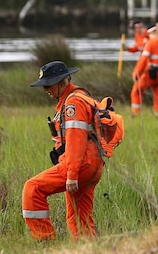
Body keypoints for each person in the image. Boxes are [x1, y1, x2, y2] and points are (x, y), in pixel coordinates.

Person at [22, 61, 104, 241]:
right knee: (79, 217)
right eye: (44, 88)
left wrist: (72, 173)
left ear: (63, 82)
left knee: (32, 188)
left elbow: (76, 139)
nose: (46, 91)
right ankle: (89, 249)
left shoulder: (73, 103)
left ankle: (46, 242)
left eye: (48, 86)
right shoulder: (80, 97)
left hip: (81, 164)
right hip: (93, 164)